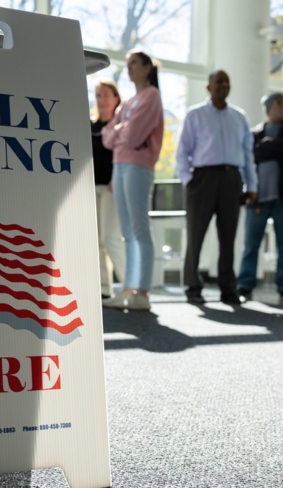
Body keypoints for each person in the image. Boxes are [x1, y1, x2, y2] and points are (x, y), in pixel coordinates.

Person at [176, 70, 257, 305]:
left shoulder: (239, 117)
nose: (223, 85)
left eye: (227, 81)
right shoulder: (195, 115)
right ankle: (193, 285)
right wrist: (188, 181)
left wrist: (251, 185)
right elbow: (182, 152)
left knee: (228, 237)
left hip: (232, 180)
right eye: (218, 81)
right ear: (208, 87)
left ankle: (228, 289)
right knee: (196, 234)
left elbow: (247, 154)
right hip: (202, 180)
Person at [101, 50, 164, 311]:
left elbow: (135, 135)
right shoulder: (128, 103)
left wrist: (119, 132)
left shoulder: (151, 97)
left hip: (138, 165)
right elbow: (107, 136)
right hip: (120, 165)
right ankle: (128, 289)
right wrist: (120, 131)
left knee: (139, 228)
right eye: (127, 65)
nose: (129, 69)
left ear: (148, 67)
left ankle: (143, 293)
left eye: (134, 64)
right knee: (126, 231)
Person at [236, 93, 283, 303]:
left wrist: (267, 147)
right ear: (267, 108)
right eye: (277, 103)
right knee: (251, 245)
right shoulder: (254, 133)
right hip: (257, 197)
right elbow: (251, 155)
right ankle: (245, 285)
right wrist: (280, 151)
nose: (282, 107)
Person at [91, 80, 126, 299]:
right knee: (96, 240)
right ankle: (103, 289)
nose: (102, 99)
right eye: (98, 95)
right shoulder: (90, 126)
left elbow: (123, 155)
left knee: (111, 238)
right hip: (91, 188)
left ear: (116, 98)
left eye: (106, 95)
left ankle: (131, 286)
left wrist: (116, 178)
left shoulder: (120, 126)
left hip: (112, 188)